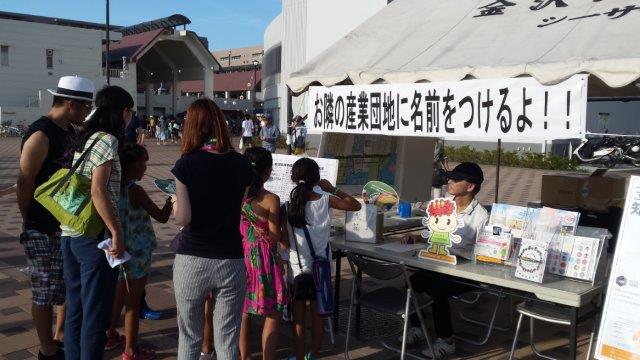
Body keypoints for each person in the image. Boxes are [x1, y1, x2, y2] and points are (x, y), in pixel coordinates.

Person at [18, 76, 95, 360]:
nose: (87, 112)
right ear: (71, 103)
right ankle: (46, 349)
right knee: (43, 290)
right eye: (85, 106)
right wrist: (29, 220)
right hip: (42, 225)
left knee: (64, 286)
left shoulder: (70, 130)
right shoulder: (41, 133)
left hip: (66, 223)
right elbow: (25, 181)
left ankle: (61, 335)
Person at [171, 98, 253, 360]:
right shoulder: (242, 165)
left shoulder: (186, 164)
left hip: (192, 258)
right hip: (230, 258)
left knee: (190, 337)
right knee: (227, 339)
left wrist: (174, 201)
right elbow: (237, 207)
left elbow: (183, 218)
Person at [60, 85, 133, 360]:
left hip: (70, 232)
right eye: (130, 112)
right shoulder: (107, 141)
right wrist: (116, 231)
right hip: (93, 236)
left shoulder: (86, 137)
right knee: (95, 314)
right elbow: (98, 190)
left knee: (76, 309)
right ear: (123, 112)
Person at [405, 162, 488, 358]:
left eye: (456, 179)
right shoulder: (444, 205)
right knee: (412, 283)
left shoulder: (481, 216)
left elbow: (484, 251)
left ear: (470, 186)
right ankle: (417, 327)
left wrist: (458, 253)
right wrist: (418, 237)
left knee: (437, 290)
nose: (449, 181)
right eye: (450, 177)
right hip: (439, 263)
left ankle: (446, 340)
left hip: (465, 270)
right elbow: (437, 233)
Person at [284, 158, 361, 360]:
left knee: (298, 320)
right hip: (322, 268)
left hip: (297, 270)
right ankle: (314, 354)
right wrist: (333, 189)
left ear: (293, 178)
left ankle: (299, 357)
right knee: (319, 316)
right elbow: (355, 206)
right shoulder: (326, 200)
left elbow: (284, 240)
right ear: (317, 179)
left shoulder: (287, 206)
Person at [105, 144, 172, 359]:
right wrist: (171, 199)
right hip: (138, 252)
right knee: (133, 303)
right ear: (133, 165)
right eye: (144, 162)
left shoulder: (111, 187)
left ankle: (110, 335)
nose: (145, 167)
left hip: (117, 250)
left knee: (117, 295)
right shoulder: (136, 190)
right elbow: (161, 217)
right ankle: (130, 351)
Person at [239, 147, 288, 360]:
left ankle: (244, 357)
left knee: (243, 311)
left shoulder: (236, 192)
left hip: (240, 254)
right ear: (267, 171)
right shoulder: (271, 199)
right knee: (273, 312)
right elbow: (275, 235)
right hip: (263, 259)